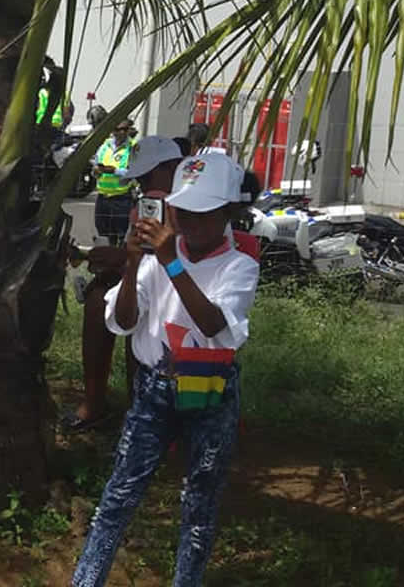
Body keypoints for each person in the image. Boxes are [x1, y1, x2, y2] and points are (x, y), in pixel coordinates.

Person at [72, 153, 259, 587]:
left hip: (210, 391)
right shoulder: (155, 260)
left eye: (203, 212)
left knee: (199, 504)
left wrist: (170, 261)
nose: (190, 222)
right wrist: (135, 261)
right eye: (182, 210)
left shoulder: (238, 265)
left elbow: (215, 325)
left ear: (228, 213)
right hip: (155, 387)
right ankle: (85, 580)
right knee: (118, 496)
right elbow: (122, 320)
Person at [64, 135, 185, 431]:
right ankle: (95, 403)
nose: (143, 185)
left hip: (181, 287)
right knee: (98, 300)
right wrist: (117, 261)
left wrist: (120, 259)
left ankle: (139, 409)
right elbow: (142, 254)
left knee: (136, 317)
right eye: (141, 178)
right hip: (148, 279)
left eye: (147, 176)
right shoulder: (148, 204)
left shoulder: (187, 204)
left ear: (172, 168)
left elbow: (175, 256)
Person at [93, 119, 135, 245]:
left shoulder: (133, 147)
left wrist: (114, 170)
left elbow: (133, 172)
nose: (120, 132)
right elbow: (95, 165)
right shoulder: (104, 146)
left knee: (121, 235)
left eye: (124, 129)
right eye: (117, 129)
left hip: (121, 198)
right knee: (103, 234)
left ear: (128, 130)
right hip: (103, 197)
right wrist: (96, 171)